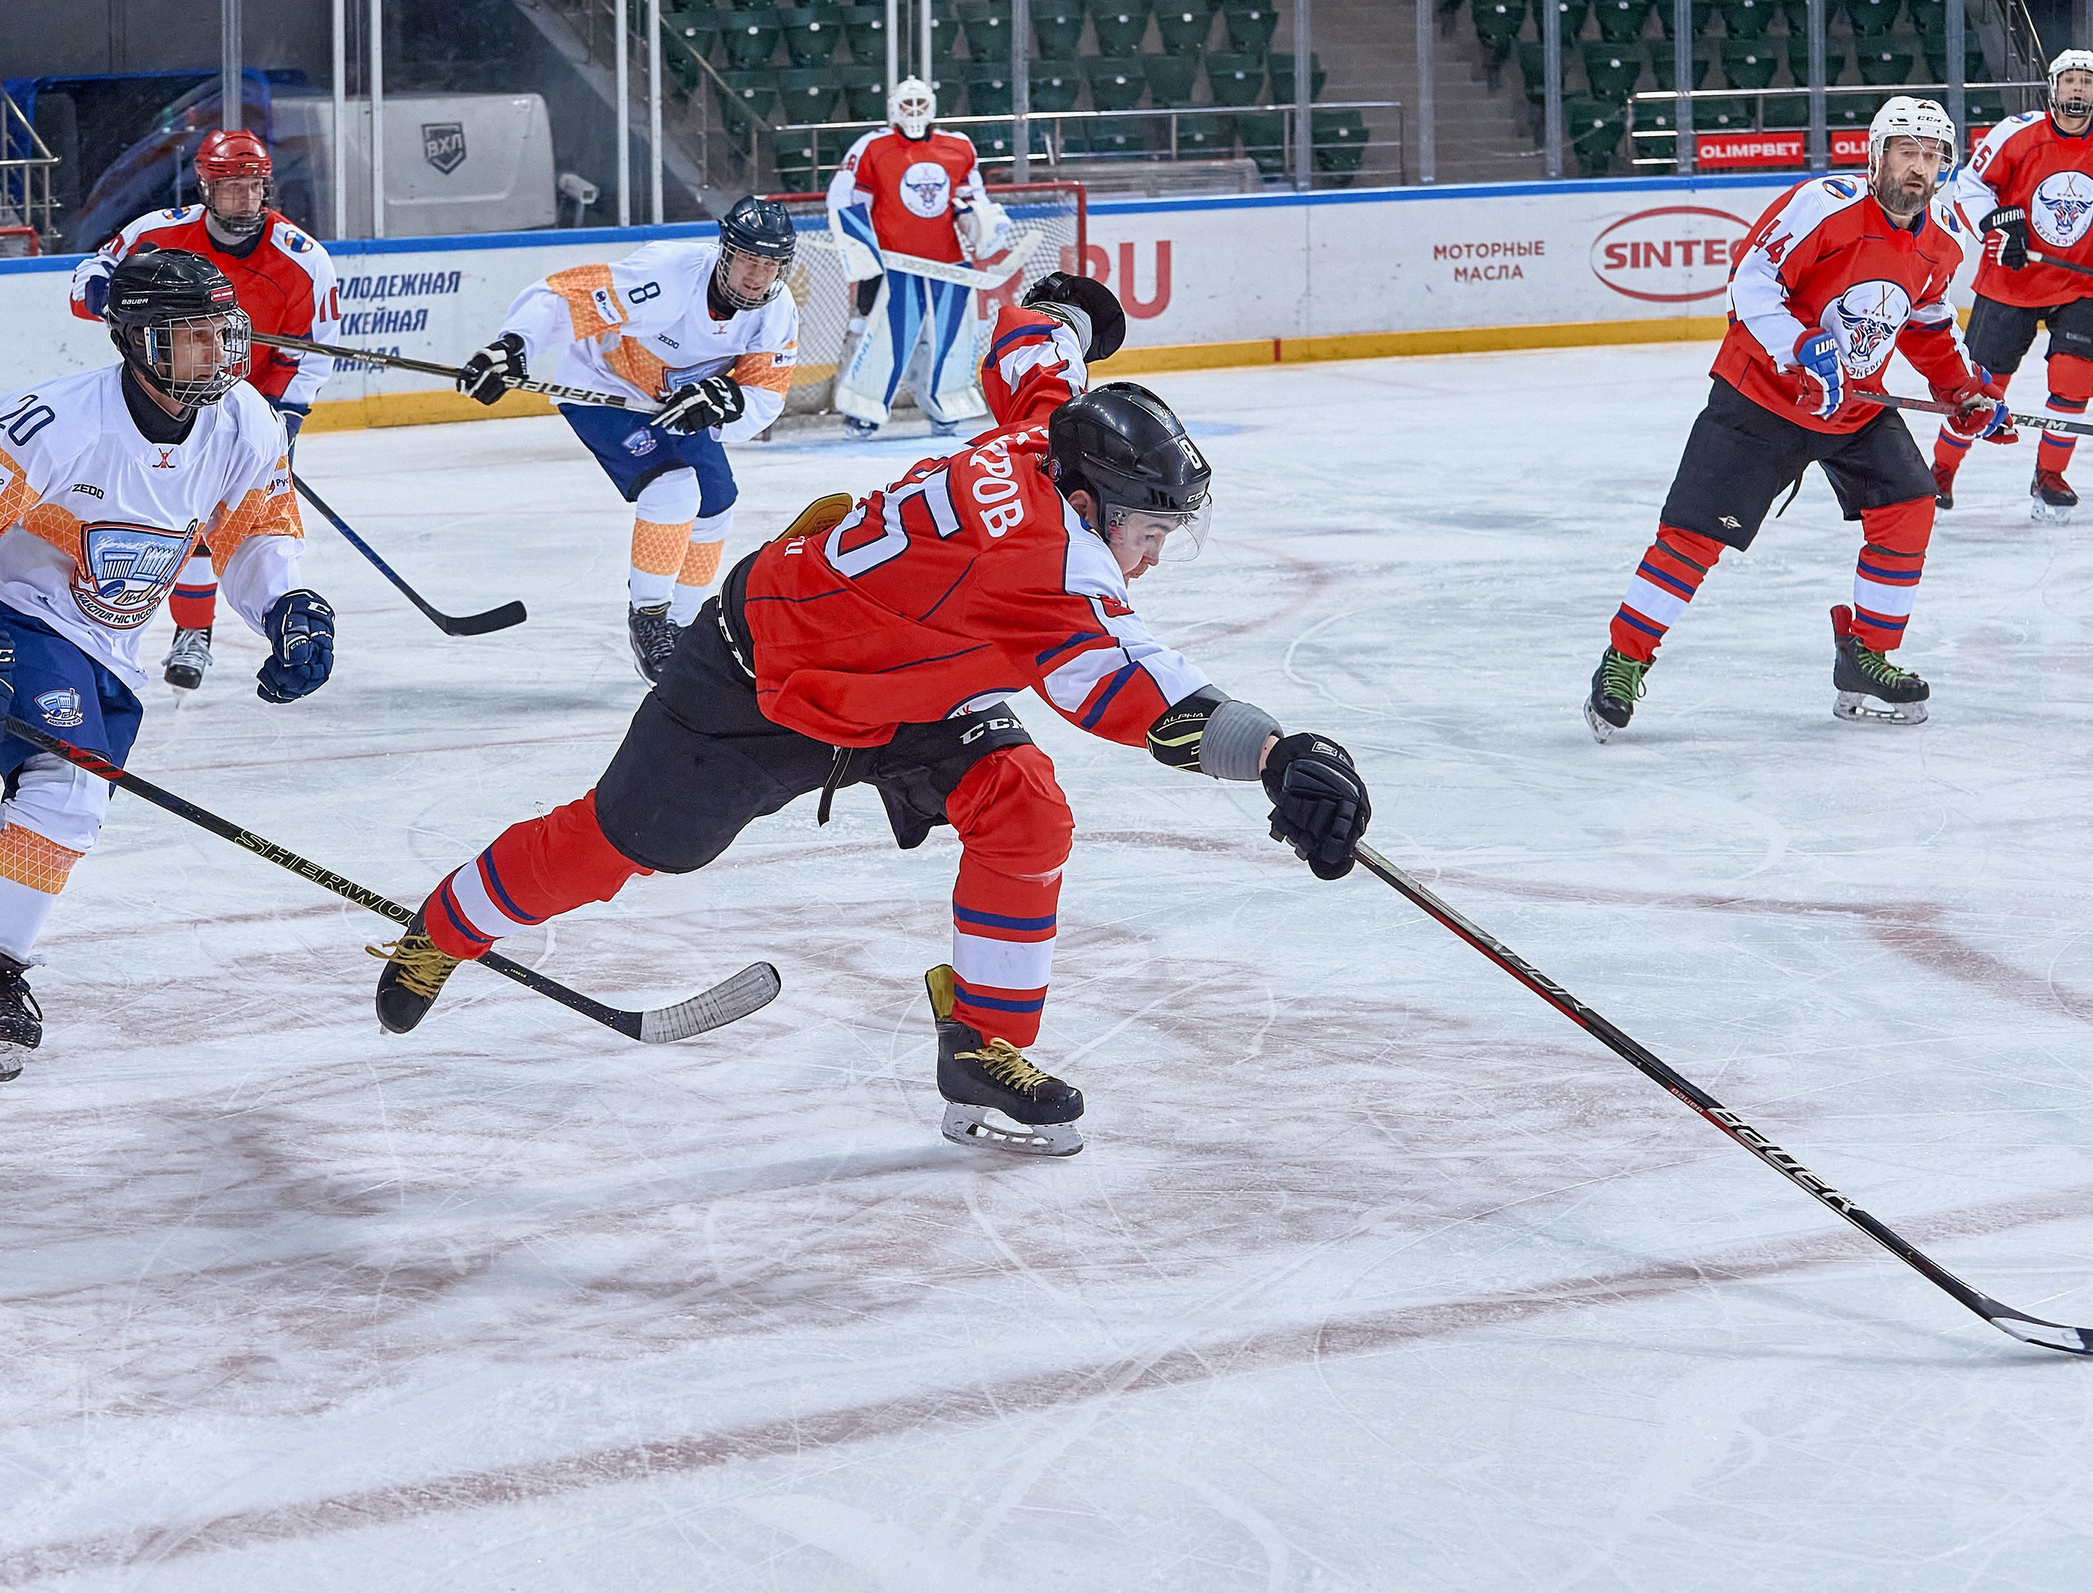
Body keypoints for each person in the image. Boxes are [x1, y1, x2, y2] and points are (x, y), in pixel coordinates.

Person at [363, 384, 1374, 1158]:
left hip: (905, 681)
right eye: (1144, 534)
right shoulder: (1038, 568)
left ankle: (979, 1047)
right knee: (615, 846)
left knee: (1023, 810)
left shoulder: (1038, 443)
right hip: (759, 681)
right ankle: (445, 926)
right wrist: (1276, 755)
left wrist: (1061, 308)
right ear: (1083, 499)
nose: (1145, 560)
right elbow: (1134, 690)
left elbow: (1035, 363)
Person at [0, 249, 336, 1082]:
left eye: (221, 334)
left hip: (111, 647)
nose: (217, 354)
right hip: (19, 617)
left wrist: (288, 606)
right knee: (67, 794)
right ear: (140, 343)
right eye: (191, 338)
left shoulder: (246, 422)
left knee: (40, 828)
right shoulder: (55, 422)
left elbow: (255, 529)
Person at [1587, 96, 2012, 738]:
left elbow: (1927, 325)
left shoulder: (1941, 242)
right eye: (1905, 152)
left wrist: (1964, 391)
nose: (1917, 168)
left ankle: (1864, 656)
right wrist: (1800, 344)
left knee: (1910, 503)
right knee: (1696, 533)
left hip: (1853, 404)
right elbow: (1751, 281)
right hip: (1761, 395)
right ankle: (1624, 659)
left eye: (1930, 156)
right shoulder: (1824, 205)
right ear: (1876, 156)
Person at [447, 196, 802, 684]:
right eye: (748, 260)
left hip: (675, 406)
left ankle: (686, 628)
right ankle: (650, 618)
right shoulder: (668, 276)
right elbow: (564, 295)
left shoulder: (775, 311)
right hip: (604, 390)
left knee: (717, 504)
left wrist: (729, 403)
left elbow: (766, 395)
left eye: (770, 265)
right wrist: (515, 344)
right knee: (674, 489)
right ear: (725, 252)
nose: (757, 276)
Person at [71, 128, 341, 690]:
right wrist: (108, 297)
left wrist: (279, 421)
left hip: (246, 407)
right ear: (205, 186)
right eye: (230, 187)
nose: (243, 199)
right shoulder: (159, 233)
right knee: (161, 519)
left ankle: (194, 631)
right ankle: (111, 629)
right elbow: (89, 277)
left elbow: (307, 353)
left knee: (230, 525)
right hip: (163, 389)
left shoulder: (303, 260)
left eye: (253, 186)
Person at [1933, 48, 2093, 522]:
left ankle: (2050, 475)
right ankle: (1940, 471)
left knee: (2074, 383)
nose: (2077, 88)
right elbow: (1972, 188)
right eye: (2069, 80)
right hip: (2010, 283)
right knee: (1980, 388)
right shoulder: (2017, 135)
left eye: (2086, 82)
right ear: (2052, 87)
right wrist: (1997, 225)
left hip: (2081, 284)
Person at [828, 77, 1015, 438]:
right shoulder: (872, 147)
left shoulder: (959, 147)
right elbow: (848, 200)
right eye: (906, 105)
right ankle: (863, 409)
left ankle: (946, 405)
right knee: (884, 338)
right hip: (894, 263)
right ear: (893, 109)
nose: (913, 113)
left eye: (919, 105)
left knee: (952, 340)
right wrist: (862, 254)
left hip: (950, 264)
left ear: (931, 107)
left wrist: (981, 222)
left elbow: (970, 197)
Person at [980, 270, 1126, 428]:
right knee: (1055, 430)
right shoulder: (1061, 342)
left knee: (1020, 438)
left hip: (1007, 346)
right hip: (1046, 332)